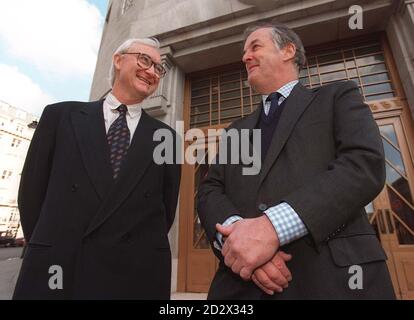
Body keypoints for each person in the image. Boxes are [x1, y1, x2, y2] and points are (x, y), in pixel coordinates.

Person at [197, 22, 396, 299]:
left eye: (255, 47)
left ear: (288, 50)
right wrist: (238, 242)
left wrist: (272, 228)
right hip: (241, 288)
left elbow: (363, 164)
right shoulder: (236, 130)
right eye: (244, 52)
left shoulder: (337, 97)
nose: (245, 57)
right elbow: (210, 190)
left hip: (333, 280)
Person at [13, 38, 181, 299]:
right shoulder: (60, 117)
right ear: (118, 59)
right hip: (59, 268)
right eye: (145, 60)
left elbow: (164, 212)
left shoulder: (167, 138)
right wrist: (52, 245)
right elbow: (31, 194)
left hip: (132, 277)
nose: (151, 72)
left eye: (158, 68)